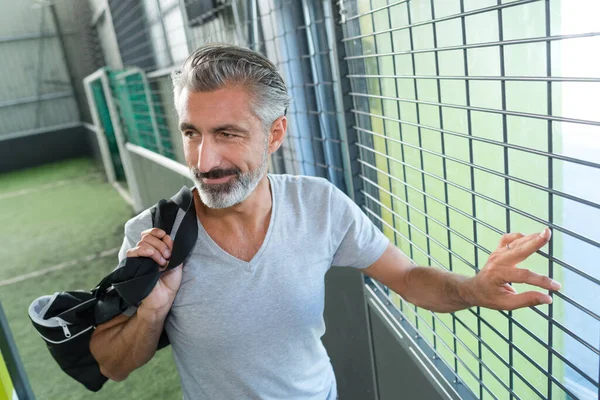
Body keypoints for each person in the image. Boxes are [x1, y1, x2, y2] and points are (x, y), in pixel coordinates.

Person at [90, 44, 561, 400]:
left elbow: (410, 279)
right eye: (192, 133)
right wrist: (152, 310)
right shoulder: (152, 237)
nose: (203, 159)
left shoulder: (319, 205)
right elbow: (113, 364)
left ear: (275, 133)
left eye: (227, 134)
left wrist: (474, 290)